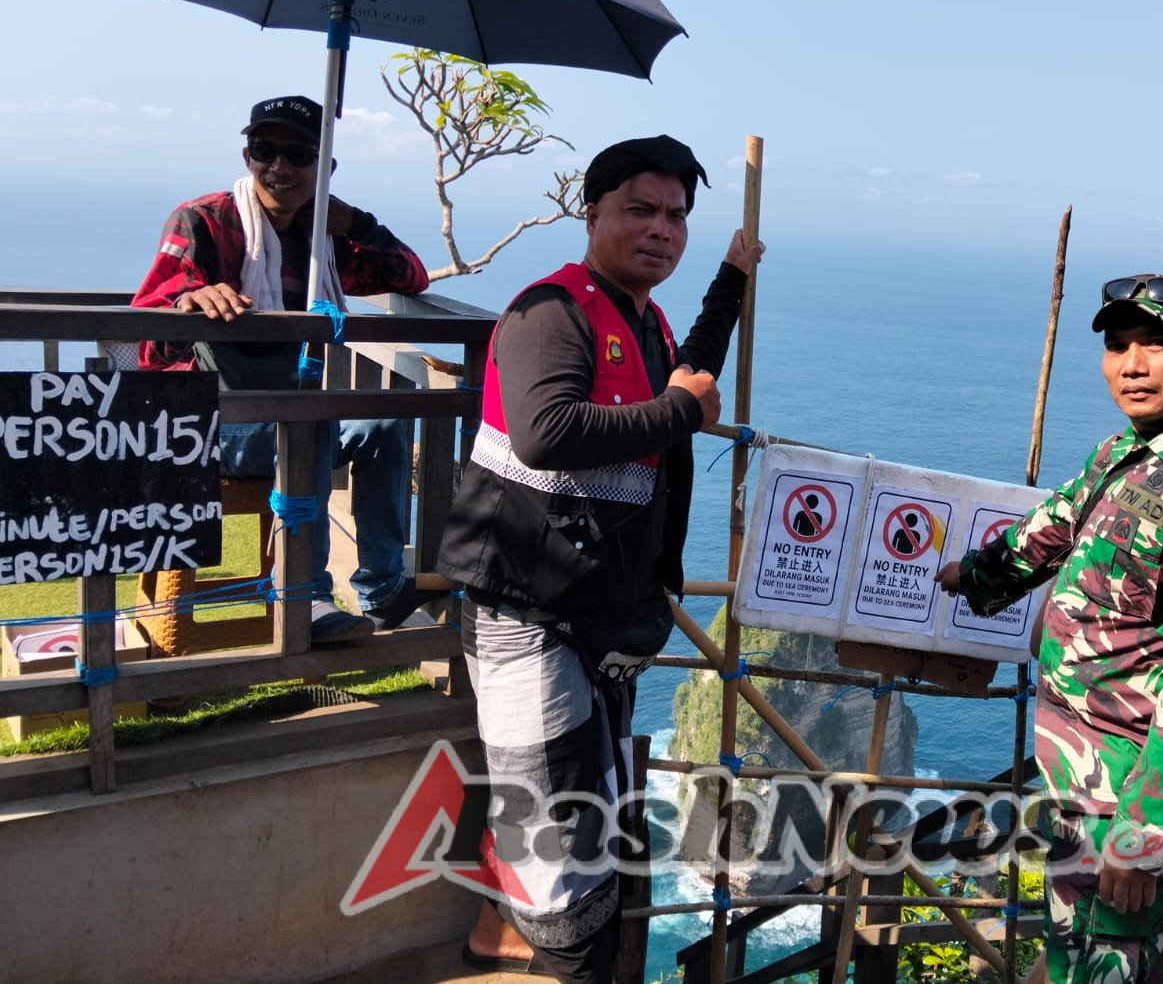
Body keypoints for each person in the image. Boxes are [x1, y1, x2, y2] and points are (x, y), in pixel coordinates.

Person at [435, 134, 764, 982]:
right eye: (641, 210)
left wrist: (731, 277)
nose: (661, 229)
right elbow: (549, 434)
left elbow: (689, 372)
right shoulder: (554, 313)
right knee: (561, 848)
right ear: (593, 214)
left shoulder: (642, 319)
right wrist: (682, 416)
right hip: (529, 611)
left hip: (593, 614)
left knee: (572, 813)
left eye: (676, 217)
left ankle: (497, 938)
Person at [938, 274, 1163, 984]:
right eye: (1118, 345)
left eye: (1157, 344)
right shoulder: (1123, 456)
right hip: (1081, 786)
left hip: (1135, 795)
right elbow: (1048, 532)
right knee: (1071, 965)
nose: (1131, 363)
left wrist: (1146, 831)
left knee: (1113, 971)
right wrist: (971, 575)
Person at [130, 95, 433, 644]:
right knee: (308, 422)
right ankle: (306, 596)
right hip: (205, 425)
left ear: (325, 167)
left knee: (382, 425)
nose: (280, 167)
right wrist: (191, 298)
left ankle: (382, 588)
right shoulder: (204, 220)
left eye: (299, 154)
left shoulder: (325, 240)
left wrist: (360, 223)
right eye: (265, 150)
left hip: (285, 416)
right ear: (247, 155)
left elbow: (411, 276)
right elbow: (145, 323)